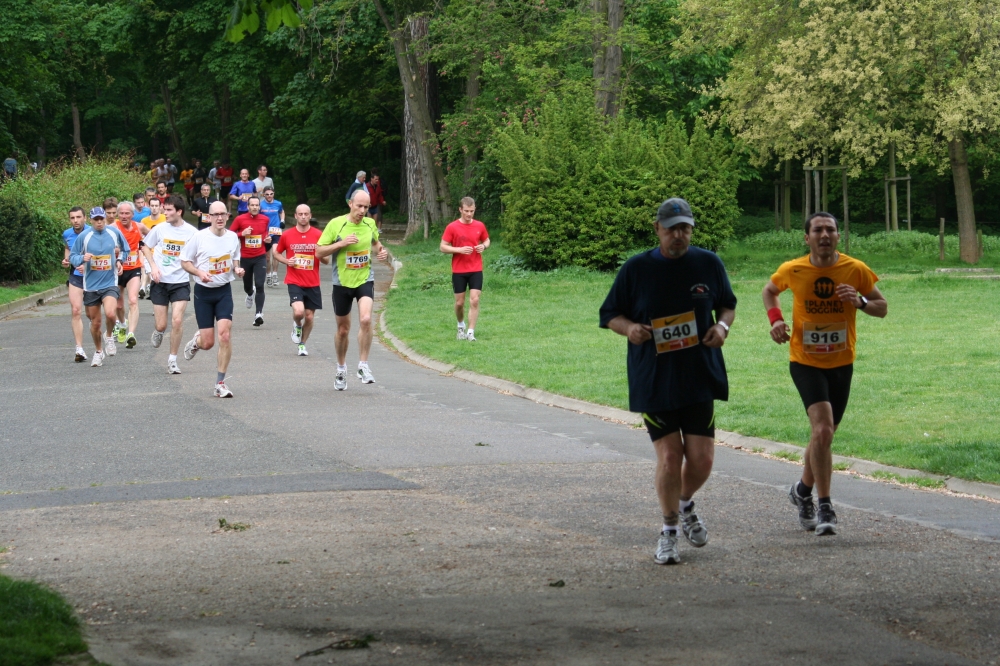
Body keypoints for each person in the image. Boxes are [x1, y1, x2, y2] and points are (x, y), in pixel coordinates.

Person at [599, 197, 737, 565]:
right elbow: (610, 314)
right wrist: (630, 329)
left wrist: (722, 328)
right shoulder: (636, 269)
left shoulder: (708, 263)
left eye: (685, 228)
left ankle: (684, 502)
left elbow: (727, 305)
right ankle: (669, 531)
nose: (679, 235)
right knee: (671, 456)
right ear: (657, 229)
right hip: (654, 377)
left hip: (698, 374)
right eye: (672, 228)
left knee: (703, 460)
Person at [764, 212, 887, 537]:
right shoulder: (793, 269)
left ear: (837, 236)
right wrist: (776, 320)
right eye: (817, 230)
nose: (824, 235)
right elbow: (769, 290)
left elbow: (882, 307)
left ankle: (802, 491)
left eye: (830, 229)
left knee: (825, 436)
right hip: (805, 361)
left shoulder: (855, 269)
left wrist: (859, 301)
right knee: (821, 429)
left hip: (841, 363)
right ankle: (825, 505)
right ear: (807, 238)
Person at [316, 189, 388, 390]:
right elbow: (319, 251)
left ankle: (363, 365)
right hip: (342, 283)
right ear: (350, 204)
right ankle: (341, 369)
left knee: (366, 319)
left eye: (366, 207)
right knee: (343, 330)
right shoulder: (336, 224)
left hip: (364, 279)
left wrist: (382, 252)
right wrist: (341, 243)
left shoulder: (370, 224)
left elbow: (376, 245)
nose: (362, 211)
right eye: (359, 206)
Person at [180, 200, 245, 397]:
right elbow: (185, 262)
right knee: (208, 343)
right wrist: (199, 273)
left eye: (222, 214)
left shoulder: (232, 237)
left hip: (223, 291)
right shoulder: (199, 237)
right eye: (215, 214)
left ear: (227, 216)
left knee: (224, 335)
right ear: (209, 217)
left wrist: (237, 268)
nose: (219, 218)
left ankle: (220, 383)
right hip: (204, 293)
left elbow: (235, 257)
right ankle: (197, 342)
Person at [142, 195, 197, 375]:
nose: (164, 213)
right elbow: (145, 246)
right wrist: (153, 267)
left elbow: (200, 253)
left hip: (180, 282)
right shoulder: (160, 229)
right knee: (161, 325)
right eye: (164, 209)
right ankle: (158, 331)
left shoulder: (192, 232)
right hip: (160, 282)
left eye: (168, 210)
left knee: (177, 320)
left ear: (179, 212)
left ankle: (172, 360)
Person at [70, 207, 131, 366]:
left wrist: (119, 261)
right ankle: (98, 351)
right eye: (96, 220)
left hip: (110, 282)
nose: (99, 222)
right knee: (95, 323)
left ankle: (109, 336)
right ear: (91, 220)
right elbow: (73, 257)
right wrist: (82, 258)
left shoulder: (114, 232)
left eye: (101, 219)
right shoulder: (84, 236)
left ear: (105, 218)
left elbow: (126, 249)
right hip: (91, 285)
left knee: (110, 313)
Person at [274, 204, 328, 356]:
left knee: (309, 317)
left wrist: (319, 254)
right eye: (300, 214)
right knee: (299, 312)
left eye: (306, 214)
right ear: (295, 216)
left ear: (310, 215)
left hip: (312, 282)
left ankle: (302, 344)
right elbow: (276, 253)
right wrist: (287, 261)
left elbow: (326, 260)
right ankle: (297, 325)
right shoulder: (287, 235)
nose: (303, 217)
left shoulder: (319, 235)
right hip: (294, 280)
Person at [440, 197, 490, 341]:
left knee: (474, 300)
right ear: (460, 210)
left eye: (472, 211)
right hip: (459, 270)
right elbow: (442, 247)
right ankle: (461, 325)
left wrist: (484, 246)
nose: (469, 214)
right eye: (466, 211)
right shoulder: (452, 227)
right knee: (459, 303)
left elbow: (487, 240)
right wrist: (459, 250)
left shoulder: (479, 225)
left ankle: (470, 332)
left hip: (476, 268)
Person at [229, 194, 270, 326]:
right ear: (248, 206)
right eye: (252, 205)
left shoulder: (265, 219)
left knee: (260, 284)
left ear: (259, 207)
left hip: (260, 257)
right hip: (245, 257)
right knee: (247, 286)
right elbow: (229, 235)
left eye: (257, 205)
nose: (254, 207)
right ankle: (250, 293)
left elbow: (265, 234)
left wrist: (267, 239)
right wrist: (242, 234)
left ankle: (259, 313)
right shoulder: (240, 219)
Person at [113, 202, 149, 348]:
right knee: (119, 305)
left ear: (132, 215)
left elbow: (153, 236)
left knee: (133, 300)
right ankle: (122, 324)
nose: (124, 216)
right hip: (117, 269)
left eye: (127, 213)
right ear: (118, 214)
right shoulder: (113, 228)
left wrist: (148, 251)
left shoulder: (139, 227)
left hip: (134, 269)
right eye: (121, 213)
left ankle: (131, 334)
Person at [62, 207, 91, 362]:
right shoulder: (67, 234)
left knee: (92, 314)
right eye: (72, 218)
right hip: (76, 276)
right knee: (75, 310)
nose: (75, 221)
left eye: (78, 217)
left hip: (93, 277)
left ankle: (99, 334)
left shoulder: (93, 232)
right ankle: (79, 349)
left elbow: (102, 253)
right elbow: (68, 248)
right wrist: (67, 260)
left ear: (85, 218)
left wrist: (87, 266)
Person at [138, 197, 165, 299]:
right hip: (148, 251)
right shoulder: (144, 221)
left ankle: (149, 288)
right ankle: (149, 288)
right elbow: (142, 240)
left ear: (160, 207)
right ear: (148, 206)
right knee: (150, 272)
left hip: (162, 252)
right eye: (152, 206)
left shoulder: (165, 219)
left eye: (156, 206)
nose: (154, 208)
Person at [260, 186, 285, 286]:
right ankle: (268, 275)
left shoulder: (278, 203)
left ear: (274, 194)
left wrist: (282, 220)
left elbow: (282, 211)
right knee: (267, 257)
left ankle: (275, 274)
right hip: (265, 232)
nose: (269, 196)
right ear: (264, 195)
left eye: (271, 194)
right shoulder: (261, 205)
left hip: (276, 232)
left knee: (276, 253)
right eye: (267, 194)